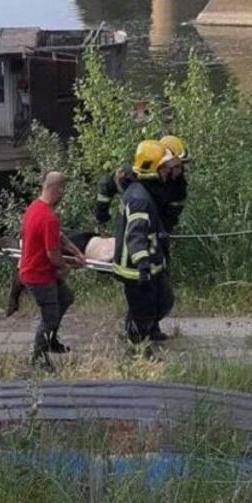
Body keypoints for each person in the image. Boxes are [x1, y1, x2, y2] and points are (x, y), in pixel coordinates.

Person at [19, 172, 86, 370]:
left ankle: (51, 340)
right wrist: (67, 268)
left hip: (39, 270)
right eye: (62, 190)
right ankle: (38, 359)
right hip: (37, 275)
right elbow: (52, 254)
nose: (63, 194)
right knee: (50, 316)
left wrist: (76, 252)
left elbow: (60, 237)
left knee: (66, 298)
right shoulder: (48, 217)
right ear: (58, 189)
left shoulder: (35, 207)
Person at [113, 141, 175, 351]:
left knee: (161, 302)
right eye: (164, 166)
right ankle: (137, 352)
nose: (168, 170)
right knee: (143, 310)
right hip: (135, 268)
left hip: (150, 263)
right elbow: (135, 236)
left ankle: (145, 338)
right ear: (153, 169)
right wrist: (143, 268)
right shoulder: (140, 198)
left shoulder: (143, 191)